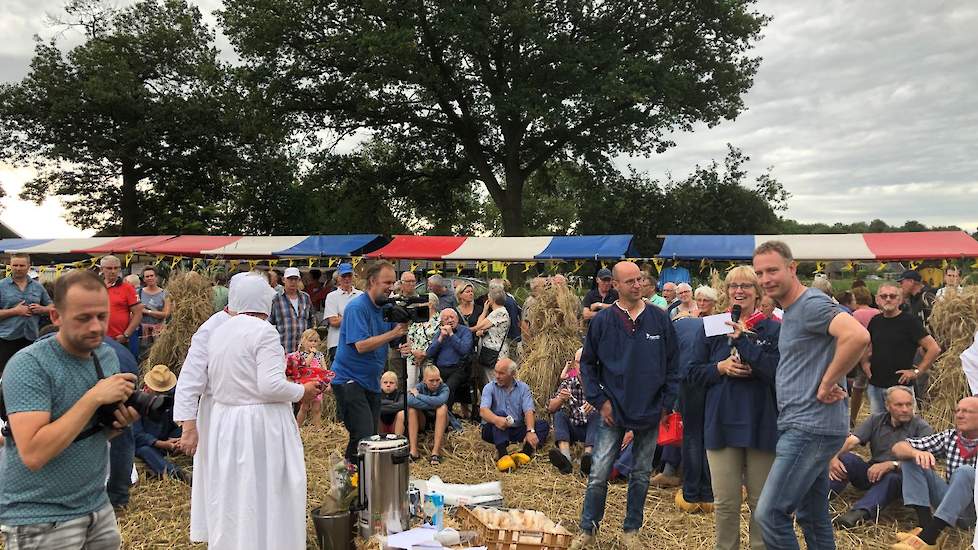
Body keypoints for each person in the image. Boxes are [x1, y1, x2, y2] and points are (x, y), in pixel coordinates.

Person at [0, 269, 139, 549]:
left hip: (96, 504)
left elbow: (89, 436)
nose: (96, 328)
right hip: (40, 514)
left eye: (102, 316)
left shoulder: (105, 356)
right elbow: (34, 454)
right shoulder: (29, 365)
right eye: (83, 318)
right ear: (55, 316)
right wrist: (93, 398)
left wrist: (118, 425)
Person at [752, 241, 870, 550]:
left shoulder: (811, 304)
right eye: (760, 272)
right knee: (812, 515)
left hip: (810, 426)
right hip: (808, 424)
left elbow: (857, 335)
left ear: (792, 268)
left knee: (771, 513)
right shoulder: (792, 310)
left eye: (773, 270)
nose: (765, 279)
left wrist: (827, 382)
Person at [199, 274, 321, 550]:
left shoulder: (220, 330)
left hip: (226, 421)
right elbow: (269, 386)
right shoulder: (263, 330)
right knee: (269, 488)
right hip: (261, 423)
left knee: (237, 490)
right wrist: (303, 391)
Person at [571, 261, 679, 550]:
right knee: (598, 473)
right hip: (612, 410)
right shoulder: (603, 322)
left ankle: (631, 531)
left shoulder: (659, 318)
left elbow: (673, 363)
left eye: (639, 279)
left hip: (649, 408)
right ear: (614, 285)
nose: (636, 285)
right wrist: (600, 401)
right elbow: (588, 366)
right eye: (629, 281)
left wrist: (666, 403)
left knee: (641, 474)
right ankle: (588, 529)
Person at [689, 266, 780, 550]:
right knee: (726, 503)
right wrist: (720, 367)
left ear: (758, 292)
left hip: (761, 422)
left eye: (747, 286)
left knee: (761, 503)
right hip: (721, 422)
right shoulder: (712, 326)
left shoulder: (773, 328)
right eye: (733, 286)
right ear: (726, 292)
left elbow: (776, 373)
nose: (739, 291)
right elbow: (691, 373)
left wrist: (745, 344)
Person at [174, 270, 254, 543]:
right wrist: (188, 425)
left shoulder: (259, 323)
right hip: (217, 411)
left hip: (251, 412)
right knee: (220, 474)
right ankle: (221, 533)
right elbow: (190, 379)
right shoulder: (212, 327)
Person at [330, 261, 410, 461]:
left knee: (367, 437)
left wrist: (402, 338)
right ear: (373, 281)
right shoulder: (357, 307)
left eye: (394, 282)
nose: (392, 287)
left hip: (371, 381)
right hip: (349, 380)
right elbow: (361, 345)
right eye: (387, 282)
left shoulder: (387, 307)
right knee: (363, 436)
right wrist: (393, 333)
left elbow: (395, 340)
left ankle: (350, 480)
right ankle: (354, 482)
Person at [829, 386, 933, 529]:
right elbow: (852, 441)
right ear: (887, 406)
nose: (905, 409)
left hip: (901, 479)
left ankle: (858, 514)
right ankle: (819, 499)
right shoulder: (876, 419)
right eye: (899, 405)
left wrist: (892, 464)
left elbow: (923, 462)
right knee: (846, 459)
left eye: (909, 404)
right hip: (873, 473)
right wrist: (833, 457)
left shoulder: (921, 428)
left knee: (892, 478)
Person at [889, 396, 978, 549]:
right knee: (911, 458)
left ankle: (929, 537)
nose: (959, 415)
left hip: (974, 514)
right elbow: (899, 447)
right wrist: (916, 453)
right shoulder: (950, 436)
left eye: (967, 411)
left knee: (966, 473)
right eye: (957, 411)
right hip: (951, 506)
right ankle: (925, 526)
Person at [669, 286, 717, 514]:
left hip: (688, 381)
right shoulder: (720, 322)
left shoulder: (678, 323)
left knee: (692, 438)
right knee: (708, 438)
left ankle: (690, 492)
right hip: (711, 382)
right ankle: (708, 493)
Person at [863, 283, 940, 414]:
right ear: (877, 300)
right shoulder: (875, 321)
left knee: (904, 428)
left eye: (892, 296)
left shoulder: (910, 322)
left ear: (900, 300)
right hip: (875, 385)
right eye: (884, 296)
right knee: (878, 428)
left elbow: (934, 348)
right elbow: (865, 344)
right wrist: (864, 363)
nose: (888, 299)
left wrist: (917, 372)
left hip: (901, 387)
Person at [480, 358, 550, 472]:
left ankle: (525, 453)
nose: (497, 376)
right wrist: (497, 419)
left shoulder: (523, 388)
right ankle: (503, 455)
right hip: (494, 430)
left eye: (501, 373)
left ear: (512, 374)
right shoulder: (489, 388)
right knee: (499, 414)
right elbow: (483, 411)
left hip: (516, 429)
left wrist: (530, 431)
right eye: (496, 372)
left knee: (542, 425)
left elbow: (528, 410)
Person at [132, 364, 189, 482]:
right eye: (159, 393)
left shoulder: (170, 399)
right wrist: (162, 444)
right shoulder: (137, 402)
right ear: (147, 388)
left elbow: (177, 420)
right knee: (145, 450)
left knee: (188, 429)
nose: (162, 396)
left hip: (166, 438)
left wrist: (179, 439)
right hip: (148, 444)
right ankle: (174, 473)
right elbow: (137, 436)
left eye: (165, 392)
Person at [547, 348, 598, 476]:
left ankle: (588, 457)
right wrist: (560, 399)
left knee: (597, 416)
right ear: (575, 365)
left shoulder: (599, 383)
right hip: (575, 428)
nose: (583, 366)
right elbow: (550, 408)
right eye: (579, 362)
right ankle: (565, 458)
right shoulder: (568, 383)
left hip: (593, 431)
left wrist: (597, 402)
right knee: (559, 414)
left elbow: (612, 408)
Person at [0, 252, 52, 374]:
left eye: (22, 265)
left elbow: (52, 307)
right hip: (7, 339)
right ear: (10, 265)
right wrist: (15, 311)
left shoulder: (38, 287)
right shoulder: (1, 286)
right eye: (15, 265)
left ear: (29, 266)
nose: (18, 268)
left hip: (31, 339)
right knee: (5, 374)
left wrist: (42, 309)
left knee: (28, 373)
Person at [425, 308, 474, 415]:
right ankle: (432, 417)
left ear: (457, 318)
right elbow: (429, 353)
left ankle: (446, 417)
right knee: (427, 385)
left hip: (459, 369)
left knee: (447, 388)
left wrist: (452, 335)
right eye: (446, 318)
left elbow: (464, 350)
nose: (450, 320)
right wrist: (441, 338)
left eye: (452, 317)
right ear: (442, 322)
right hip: (440, 369)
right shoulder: (439, 333)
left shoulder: (465, 331)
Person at [285, 328, 333, 427]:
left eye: (315, 341)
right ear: (303, 341)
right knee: (304, 407)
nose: (313, 343)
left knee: (317, 407)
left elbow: (324, 369)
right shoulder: (300, 355)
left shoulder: (320, 355)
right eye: (310, 341)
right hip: (307, 384)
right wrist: (312, 354)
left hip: (318, 383)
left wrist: (326, 381)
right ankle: (298, 427)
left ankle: (317, 428)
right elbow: (304, 365)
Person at [405, 365, 450, 465]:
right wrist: (434, 404)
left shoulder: (444, 388)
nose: (435, 383)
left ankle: (435, 452)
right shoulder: (419, 386)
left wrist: (419, 396)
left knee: (442, 408)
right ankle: (413, 451)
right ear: (424, 380)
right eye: (431, 380)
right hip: (424, 420)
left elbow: (441, 400)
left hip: (441, 421)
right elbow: (409, 400)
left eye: (437, 380)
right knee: (411, 409)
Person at [100, 256, 142, 355]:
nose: (113, 271)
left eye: (116, 268)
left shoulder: (127, 288)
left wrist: (126, 335)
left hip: (118, 340)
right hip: (97, 339)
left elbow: (138, 314)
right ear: (102, 269)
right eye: (109, 268)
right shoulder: (95, 287)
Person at [850, 285, 880, 422]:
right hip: (878, 353)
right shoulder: (878, 312)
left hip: (863, 354)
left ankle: (853, 418)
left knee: (858, 387)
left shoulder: (855, 315)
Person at [269, 267, 315, 354]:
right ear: (283, 280)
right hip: (283, 348)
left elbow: (311, 320)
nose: (293, 282)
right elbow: (270, 324)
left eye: (295, 279)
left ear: (299, 280)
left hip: (304, 350)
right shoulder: (276, 299)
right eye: (290, 279)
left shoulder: (306, 297)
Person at [324, 262, 362, 361]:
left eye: (349, 275)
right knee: (338, 375)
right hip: (337, 343)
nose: (347, 278)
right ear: (338, 278)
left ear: (353, 277)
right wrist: (353, 316)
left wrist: (342, 317)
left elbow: (364, 319)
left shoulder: (360, 295)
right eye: (344, 276)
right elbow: (334, 322)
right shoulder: (332, 296)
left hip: (357, 342)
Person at [472, 288, 510, 382]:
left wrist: (465, 329)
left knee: (494, 382)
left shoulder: (499, 312)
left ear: (491, 300)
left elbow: (478, 326)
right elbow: (480, 329)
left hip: (495, 355)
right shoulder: (496, 313)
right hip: (491, 353)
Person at [404, 293, 440, 390]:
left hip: (430, 360)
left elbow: (438, 340)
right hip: (413, 358)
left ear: (430, 304)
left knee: (429, 387)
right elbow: (410, 335)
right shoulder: (417, 319)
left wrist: (423, 354)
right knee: (410, 386)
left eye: (421, 302)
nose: (418, 305)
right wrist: (413, 351)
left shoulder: (439, 320)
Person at [139, 266, 171, 350]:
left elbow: (166, 314)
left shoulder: (165, 293)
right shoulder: (139, 292)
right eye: (147, 276)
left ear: (156, 277)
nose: (150, 278)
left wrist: (146, 311)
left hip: (158, 332)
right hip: (142, 333)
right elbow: (135, 311)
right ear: (144, 279)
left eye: (151, 275)